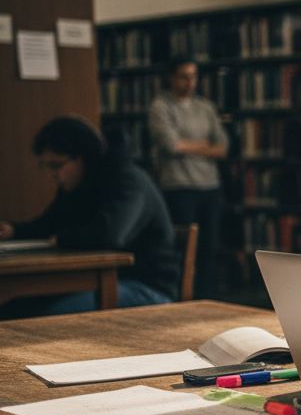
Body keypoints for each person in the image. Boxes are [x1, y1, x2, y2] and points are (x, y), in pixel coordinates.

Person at [0, 116, 179, 317]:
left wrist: (61, 239)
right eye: (46, 166)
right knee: (15, 308)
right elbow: (50, 223)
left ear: (82, 157)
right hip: (100, 281)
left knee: (41, 315)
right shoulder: (78, 183)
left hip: (147, 287)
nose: (52, 174)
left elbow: (111, 234)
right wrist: (14, 230)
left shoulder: (128, 180)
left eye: (56, 165)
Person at [148, 57, 228, 298]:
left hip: (209, 186)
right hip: (179, 186)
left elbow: (223, 147)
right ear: (172, 78)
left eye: (193, 76)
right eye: (184, 76)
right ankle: (183, 297)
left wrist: (189, 145)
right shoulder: (160, 106)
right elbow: (171, 145)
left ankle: (206, 298)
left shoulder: (205, 107)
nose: (190, 82)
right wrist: (204, 146)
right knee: (184, 249)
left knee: (208, 248)